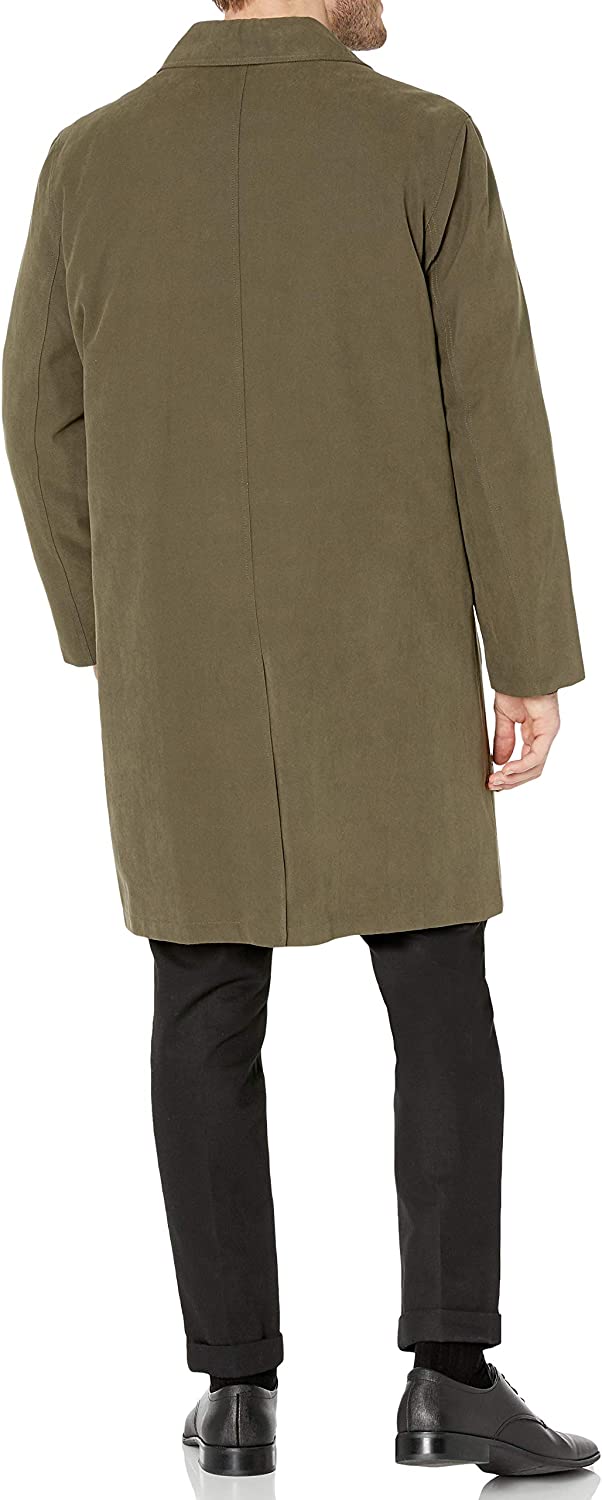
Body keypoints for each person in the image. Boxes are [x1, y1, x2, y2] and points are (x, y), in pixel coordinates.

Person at [3, 0, 598, 1480]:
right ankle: (450, 1378)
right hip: (392, 639)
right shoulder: (422, 142)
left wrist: (107, 620)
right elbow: (491, 406)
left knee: (202, 1001)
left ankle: (236, 1394)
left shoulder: (91, 157)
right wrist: (529, 655)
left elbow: (37, 412)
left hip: (180, 653)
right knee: (437, 991)